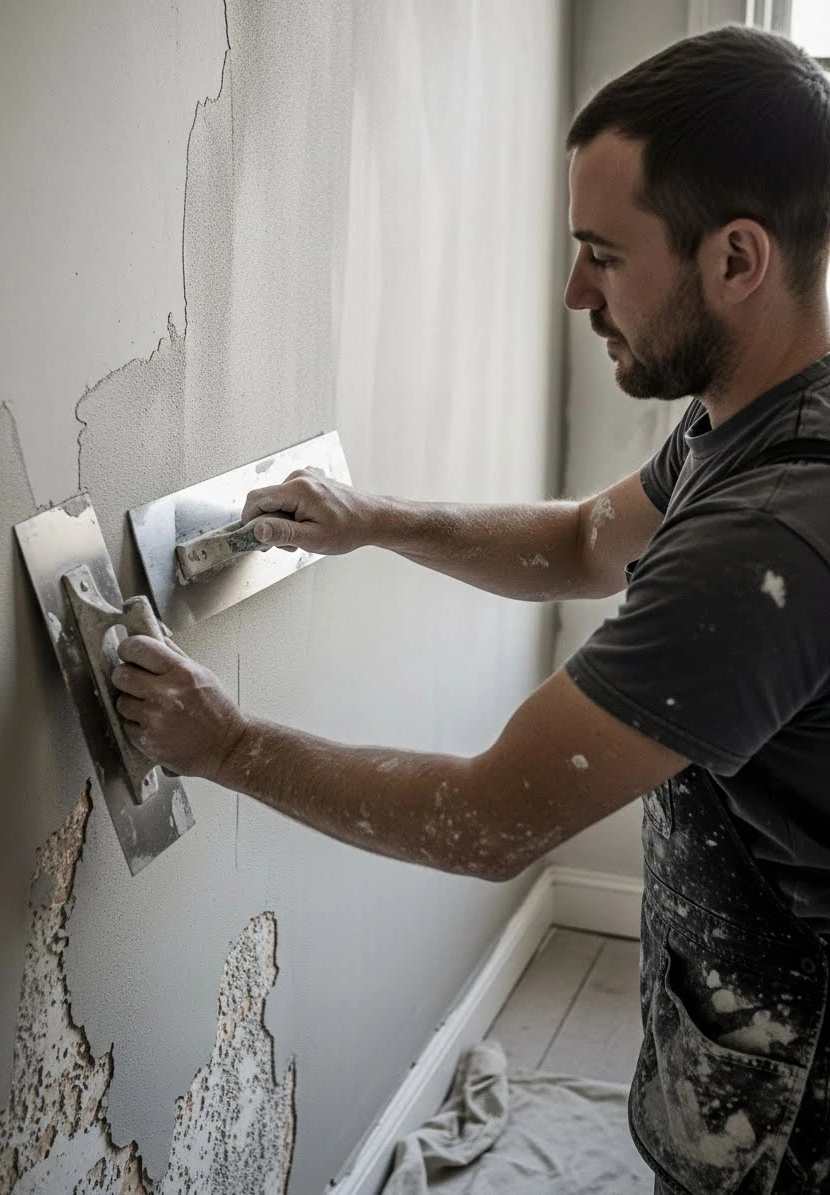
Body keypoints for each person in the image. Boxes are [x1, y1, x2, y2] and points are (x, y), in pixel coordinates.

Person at [113, 25, 830, 1193]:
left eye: (601, 252)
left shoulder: (769, 535)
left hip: (795, 1111)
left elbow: (489, 820)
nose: (571, 292)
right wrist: (370, 517)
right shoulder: (750, 414)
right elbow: (584, 541)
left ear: (735, 259)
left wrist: (227, 744)